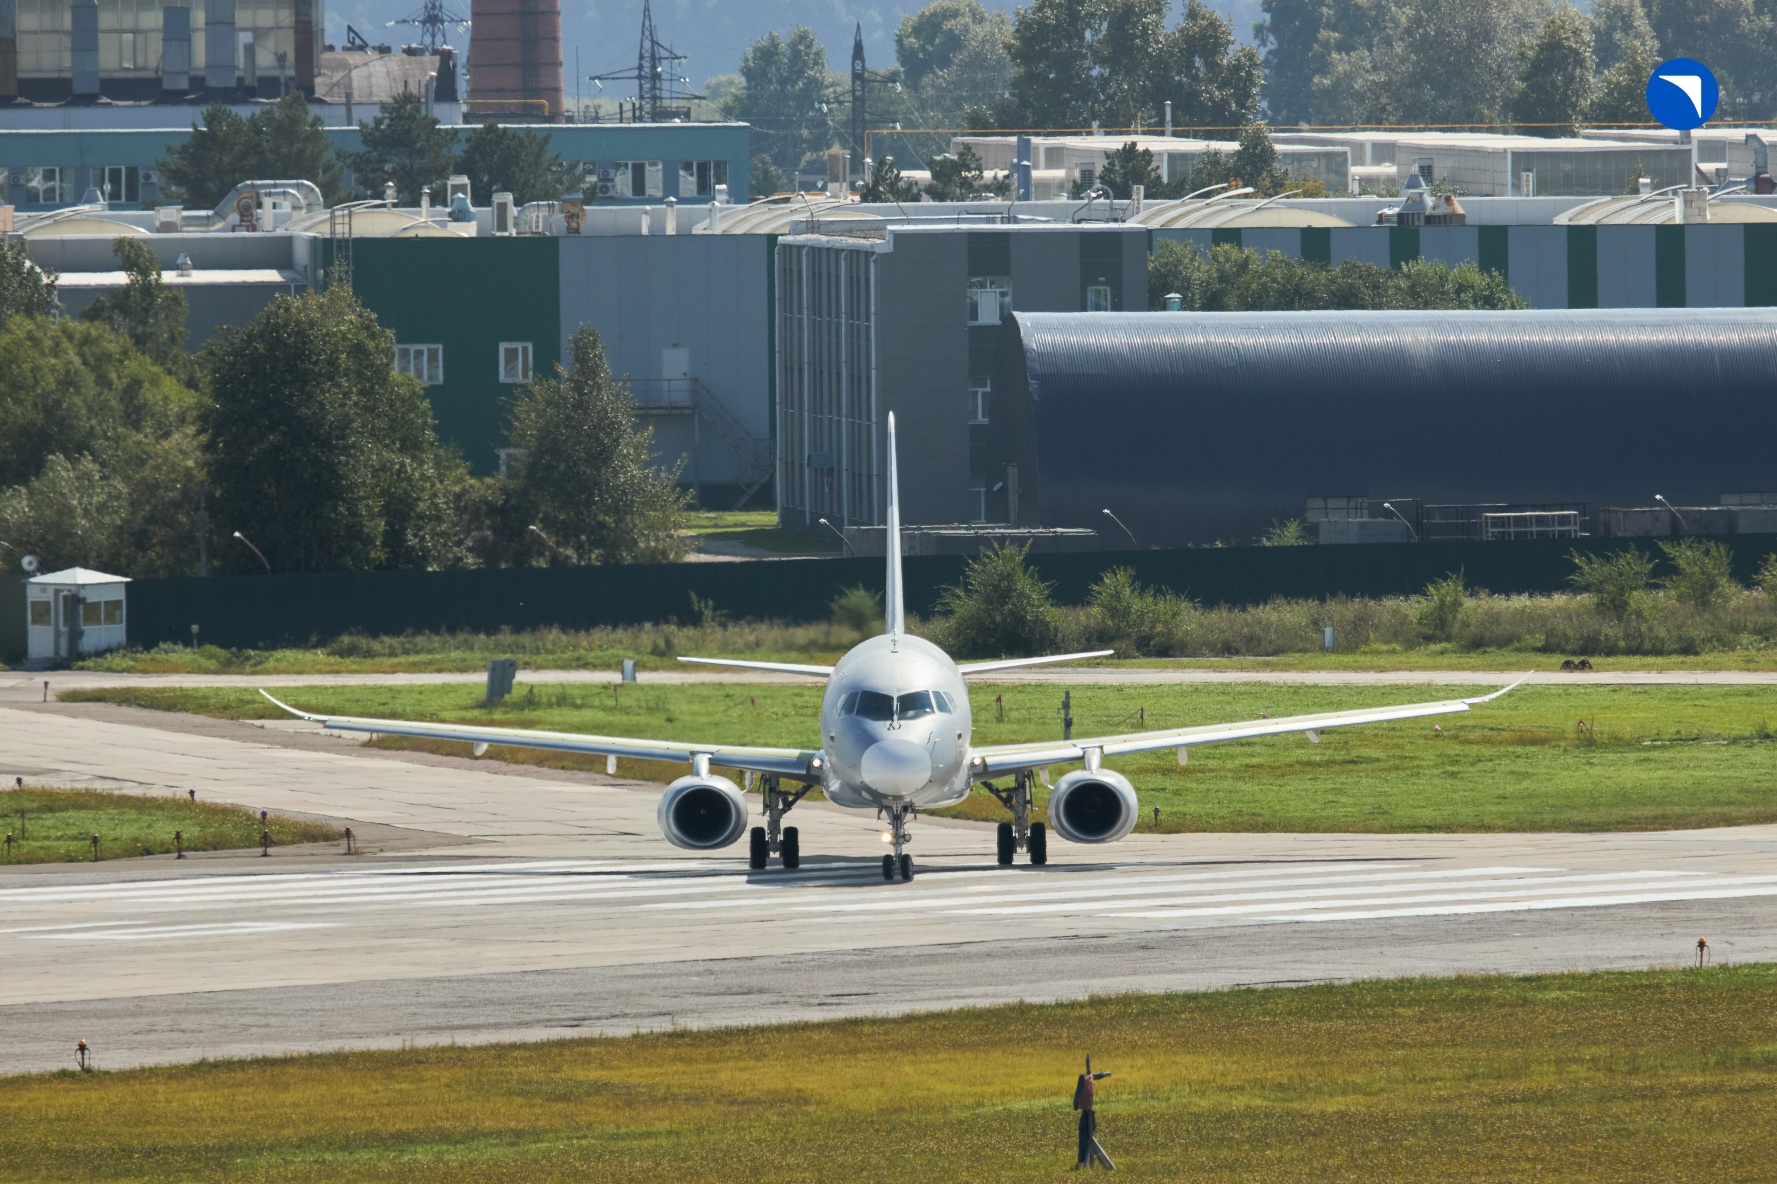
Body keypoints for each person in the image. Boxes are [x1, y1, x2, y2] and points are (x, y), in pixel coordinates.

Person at [1073, 1055, 1114, 1169]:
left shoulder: (1087, 1077)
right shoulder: (1084, 1078)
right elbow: (1078, 1093)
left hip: (1088, 1110)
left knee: (1086, 1131)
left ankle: (1082, 1162)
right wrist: (1076, 1105)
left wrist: (1105, 1074)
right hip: (1087, 1110)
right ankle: (1082, 1161)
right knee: (1086, 1131)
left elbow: (1095, 1076)